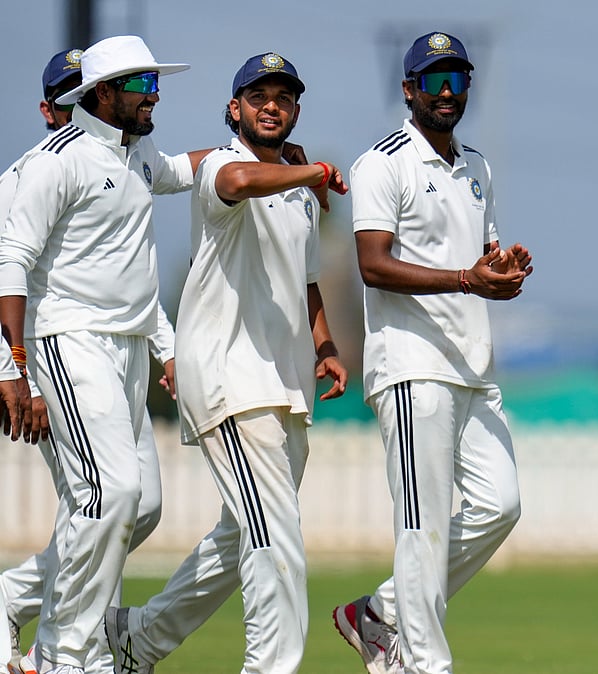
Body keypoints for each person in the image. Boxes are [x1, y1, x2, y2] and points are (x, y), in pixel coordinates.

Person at [103, 51, 349, 674]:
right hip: (230, 379)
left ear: (296, 112)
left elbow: (307, 281)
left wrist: (324, 346)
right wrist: (315, 171)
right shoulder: (222, 163)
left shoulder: (299, 192)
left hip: (286, 384)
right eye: (258, 96)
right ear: (234, 110)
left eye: (284, 98)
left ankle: (139, 638)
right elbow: (239, 184)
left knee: (243, 533)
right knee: (277, 540)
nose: (272, 106)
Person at [331, 30, 531, 674]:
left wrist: (500, 268)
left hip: (472, 364)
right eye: (434, 81)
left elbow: (481, 256)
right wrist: (468, 279)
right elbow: (373, 265)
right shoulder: (381, 163)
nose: (447, 92)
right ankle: (424, 664)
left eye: (458, 80)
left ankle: (379, 613)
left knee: (500, 505)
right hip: (412, 365)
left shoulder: (477, 167)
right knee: (423, 528)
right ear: (408, 90)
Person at [0, 36, 201, 674]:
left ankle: (17, 605)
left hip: (128, 348)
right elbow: (10, 263)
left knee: (136, 504)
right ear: (103, 93)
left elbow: (187, 172)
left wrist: (269, 156)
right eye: (141, 84)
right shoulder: (50, 163)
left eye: (154, 83)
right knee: (107, 493)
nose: (154, 96)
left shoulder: (138, 156)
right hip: (70, 341)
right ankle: (67, 655)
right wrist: (14, 368)